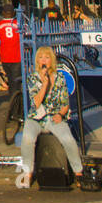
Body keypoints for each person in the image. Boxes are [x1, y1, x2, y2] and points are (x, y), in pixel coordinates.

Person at [20, 46, 83, 189]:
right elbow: (35, 103)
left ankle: (78, 172)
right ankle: (27, 173)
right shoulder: (33, 78)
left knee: (67, 139)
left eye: (47, 57)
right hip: (36, 117)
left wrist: (60, 114)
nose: (44, 60)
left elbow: (65, 103)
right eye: (41, 57)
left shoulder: (60, 78)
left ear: (51, 61)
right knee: (28, 138)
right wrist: (45, 84)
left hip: (54, 117)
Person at [0, 1, 22, 97]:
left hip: (5, 57)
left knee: (10, 79)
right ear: (13, 13)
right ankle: (17, 100)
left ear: (3, 13)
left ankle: (13, 98)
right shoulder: (19, 24)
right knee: (16, 80)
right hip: (17, 56)